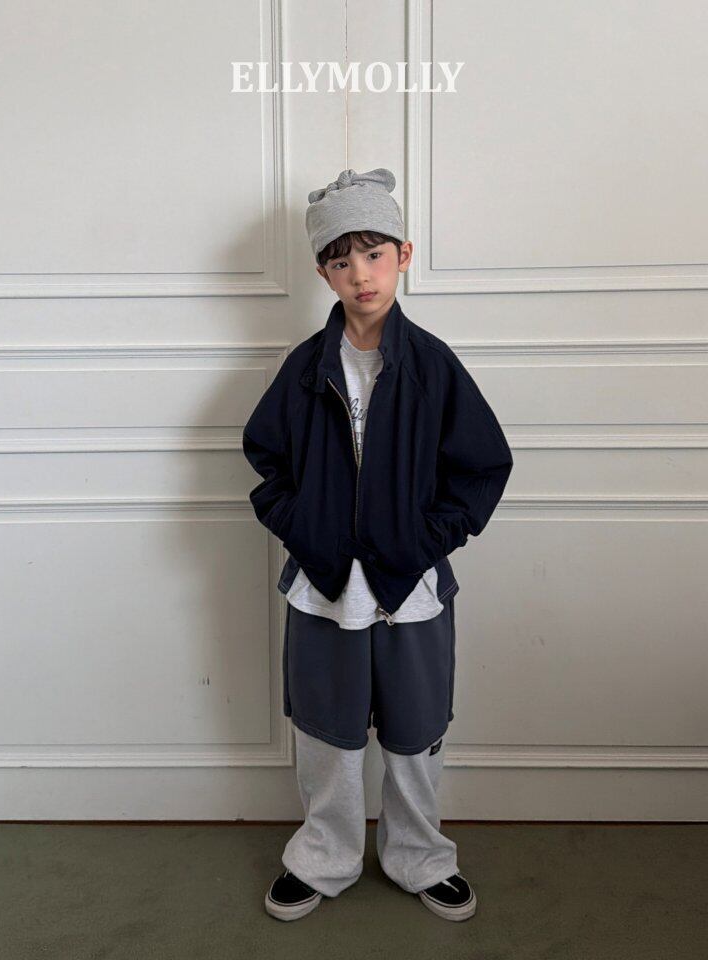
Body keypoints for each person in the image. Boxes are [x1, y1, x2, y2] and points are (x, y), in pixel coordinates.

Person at [242, 167, 513, 922]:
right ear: (323, 272)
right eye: (341, 260)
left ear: (404, 255)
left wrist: (424, 540)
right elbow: (266, 461)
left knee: (415, 733)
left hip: (411, 586)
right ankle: (322, 858)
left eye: (374, 253)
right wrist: (305, 527)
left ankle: (420, 856)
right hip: (324, 585)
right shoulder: (304, 369)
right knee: (326, 735)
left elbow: (483, 466)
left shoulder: (433, 366)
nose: (360, 274)